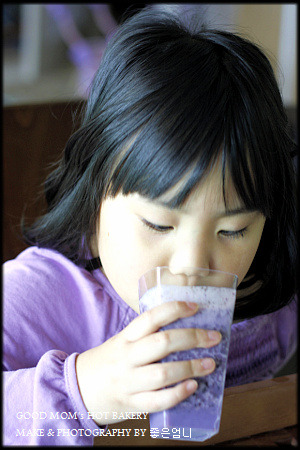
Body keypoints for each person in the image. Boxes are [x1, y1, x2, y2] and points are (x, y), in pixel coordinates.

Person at [3, 7, 297, 446]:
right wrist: (86, 390)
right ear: (96, 195)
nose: (193, 265)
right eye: (160, 224)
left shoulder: (268, 296)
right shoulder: (37, 298)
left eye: (233, 231)